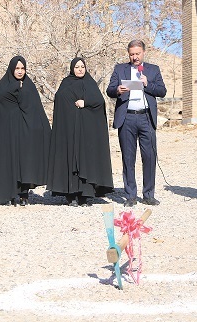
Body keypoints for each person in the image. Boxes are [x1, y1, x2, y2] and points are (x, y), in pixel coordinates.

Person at [106, 40, 166, 207]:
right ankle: (130, 196)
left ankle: (148, 195)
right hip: (127, 118)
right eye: (132, 54)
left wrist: (147, 84)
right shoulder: (120, 69)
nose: (134, 57)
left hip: (146, 117)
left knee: (149, 157)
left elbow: (162, 90)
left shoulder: (153, 70)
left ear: (143, 53)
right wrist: (118, 90)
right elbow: (109, 90)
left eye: (137, 54)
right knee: (128, 158)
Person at [47, 57, 113, 206]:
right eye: (77, 67)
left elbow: (99, 102)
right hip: (69, 130)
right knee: (70, 159)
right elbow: (60, 102)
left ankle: (84, 195)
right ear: (72, 68)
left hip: (86, 132)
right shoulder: (65, 83)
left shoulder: (90, 83)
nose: (80, 69)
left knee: (85, 159)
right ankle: (70, 196)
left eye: (82, 66)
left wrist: (86, 102)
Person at [0, 56, 50, 206]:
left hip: (24, 131)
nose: (20, 71)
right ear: (11, 69)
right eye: (17, 68)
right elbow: (2, 101)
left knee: (24, 162)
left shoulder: (28, 85)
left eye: (23, 68)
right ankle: (8, 194)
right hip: (7, 130)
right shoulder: (4, 84)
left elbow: (34, 108)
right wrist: (16, 87)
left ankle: (23, 194)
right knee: (9, 161)